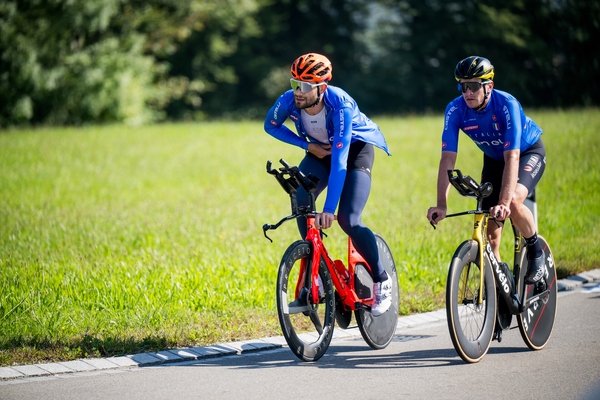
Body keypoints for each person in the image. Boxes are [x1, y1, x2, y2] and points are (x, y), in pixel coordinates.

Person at [264, 53, 393, 316]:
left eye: (306, 86)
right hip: (318, 151)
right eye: (294, 84)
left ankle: (382, 280)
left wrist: (329, 208)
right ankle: (318, 269)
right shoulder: (290, 100)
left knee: (349, 219)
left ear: (322, 88)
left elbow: (340, 163)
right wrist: (306, 145)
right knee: (301, 200)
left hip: (354, 153)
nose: (298, 92)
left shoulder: (340, 105)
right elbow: (271, 125)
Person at [427, 56, 547, 284]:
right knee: (491, 239)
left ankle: (535, 249)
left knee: (511, 202)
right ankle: (501, 289)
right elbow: (447, 160)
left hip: (525, 153)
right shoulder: (455, 109)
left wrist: (503, 202)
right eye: (463, 86)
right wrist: (442, 205)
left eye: (473, 86)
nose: (467, 92)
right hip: (494, 159)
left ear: (488, 86)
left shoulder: (506, 104)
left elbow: (512, 156)